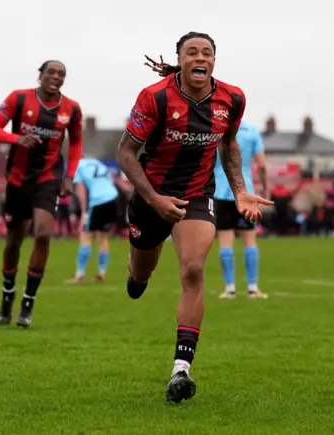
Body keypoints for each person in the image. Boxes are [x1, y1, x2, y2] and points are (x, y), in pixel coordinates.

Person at [117, 32, 273, 404]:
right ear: (181, 60)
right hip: (151, 196)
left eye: (207, 52)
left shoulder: (232, 98)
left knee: (193, 270)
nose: (199, 57)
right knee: (141, 275)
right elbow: (125, 153)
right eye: (192, 52)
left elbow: (228, 143)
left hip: (196, 196)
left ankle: (181, 369)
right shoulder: (154, 97)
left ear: (214, 61)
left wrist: (238, 190)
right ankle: (137, 272)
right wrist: (154, 199)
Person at [0, 60, 83, 328]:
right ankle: (8, 293)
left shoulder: (71, 109)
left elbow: (75, 145)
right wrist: (17, 139)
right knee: (14, 240)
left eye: (61, 74)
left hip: (48, 177)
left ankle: (28, 300)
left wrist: (69, 177)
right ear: (40, 76)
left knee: (43, 233)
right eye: (50, 72)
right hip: (18, 179)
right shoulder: (18, 98)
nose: (56, 76)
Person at [213, 120, 268, 300]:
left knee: (225, 240)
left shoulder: (216, 130)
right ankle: (252, 288)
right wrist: (265, 188)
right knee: (249, 239)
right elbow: (262, 165)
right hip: (246, 191)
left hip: (221, 189)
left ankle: (230, 288)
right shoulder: (251, 131)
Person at [65, 158, 119, 283]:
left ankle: (80, 275)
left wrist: (84, 213)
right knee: (103, 237)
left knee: (85, 235)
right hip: (113, 197)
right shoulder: (97, 162)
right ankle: (101, 273)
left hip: (98, 200)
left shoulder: (77, 165)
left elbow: (80, 190)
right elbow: (109, 180)